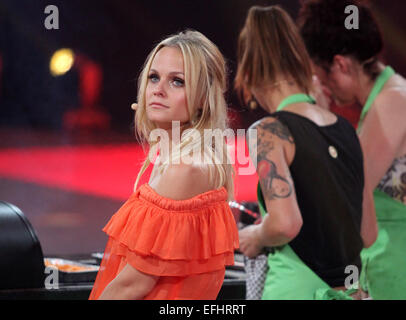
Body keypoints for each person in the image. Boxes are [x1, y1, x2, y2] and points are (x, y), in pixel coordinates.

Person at [234, 5, 377, 300]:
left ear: (248, 74)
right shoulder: (346, 130)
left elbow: (286, 223)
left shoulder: (269, 131)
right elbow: (367, 233)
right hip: (353, 291)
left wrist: (256, 236)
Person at [88, 30, 239, 300]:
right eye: (154, 77)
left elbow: (132, 286)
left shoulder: (185, 168)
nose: (158, 89)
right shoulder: (177, 159)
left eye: (177, 81)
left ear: (204, 97)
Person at [298, 0, 406, 300]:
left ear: (341, 65)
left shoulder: (393, 103)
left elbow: (346, 195)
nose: (319, 85)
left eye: (317, 74)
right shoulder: (386, 99)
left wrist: (318, 116)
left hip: (396, 271)